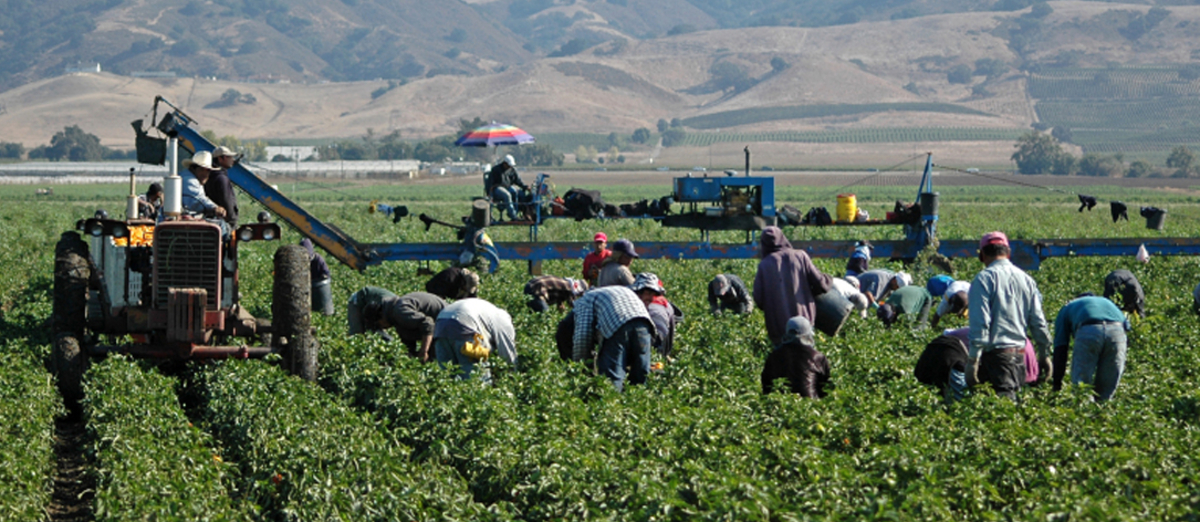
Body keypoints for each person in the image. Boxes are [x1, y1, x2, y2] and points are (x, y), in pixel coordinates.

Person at [967, 231, 1053, 401]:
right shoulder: (1026, 279)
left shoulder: (983, 279)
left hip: (996, 358)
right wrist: (1044, 354)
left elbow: (980, 323)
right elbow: (1038, 322)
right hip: (1020, 357)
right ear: (1008, 253)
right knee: (1011, 408)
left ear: (982, 255)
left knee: (1000, 412)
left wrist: (972, 361)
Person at [753, 226, 833, 346]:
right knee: (806, 359)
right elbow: (820, 284)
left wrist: (774, 308)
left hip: (779, 328)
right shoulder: (800, 256)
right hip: (804, 322)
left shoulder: (764, 265)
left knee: (784, 362)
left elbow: (758, 298)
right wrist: (829, 279)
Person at [572, 285, 655, 391]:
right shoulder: (617, 291)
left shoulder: (583, 301)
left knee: (613, 377)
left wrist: (582, 367)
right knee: (640, 374)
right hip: (644, 324)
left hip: (617, 323)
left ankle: (613, 404)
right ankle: (640, 403)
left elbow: (583, 337)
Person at [1052, 295, 1129, 401]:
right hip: (1117, 331)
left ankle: (1083, 411)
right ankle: (1103, 412)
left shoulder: (1068, 307)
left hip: (1088, 329)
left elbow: (1061, 347)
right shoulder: (1107, 302)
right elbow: (1127, 327)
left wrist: (1056, 384)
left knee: (1081, 385)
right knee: (1107, 385)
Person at [433, 298, 517, 380]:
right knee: (476, 378)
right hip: (465, 323)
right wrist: (512, 375)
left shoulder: (490, 311)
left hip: (441, 324)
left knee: (446, 375)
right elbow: (507, 352)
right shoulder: (504, 323)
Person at [761, 316, 830, 398]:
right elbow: (826, 387)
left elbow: (766, 384)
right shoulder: (817, 356)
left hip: (780, 402)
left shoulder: (775, 355)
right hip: (809, 404)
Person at [631, 273, 678, 357]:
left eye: (652, 294)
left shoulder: (655, 311)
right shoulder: (652, 306)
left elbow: (656, 341)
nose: (651, 297)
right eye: (648, 293)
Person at [180, 151, 227, 220]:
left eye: (208, 170)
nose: (205, 174)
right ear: (193, 168)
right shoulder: (190, 180)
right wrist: (215, 207)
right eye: (202, 169)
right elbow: (199, 199)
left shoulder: (186, 176)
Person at [487, 155, 529, 220]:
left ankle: (515, 212)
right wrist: (489, 193)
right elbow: (490, 183)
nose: (510, 167)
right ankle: (513, 216)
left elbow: (517, 180)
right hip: (497, 188)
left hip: (508, 187)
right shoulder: (495, 169)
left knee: (516, 192)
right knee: (507, 195)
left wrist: (525, 187)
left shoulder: (512, 170)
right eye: (508, 165)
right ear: (504, 163)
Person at [206, 146, 239, 226]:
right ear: (221, 158)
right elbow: (227, 201)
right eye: (230, 157)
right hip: (223, 223)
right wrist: (232, 221)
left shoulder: (209, 176)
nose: (232, 160)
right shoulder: (221, 179)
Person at [300, 239, 334, 315]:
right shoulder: (301, 261)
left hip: (318, 284)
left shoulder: (318, 259)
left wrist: (323, 277)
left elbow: (326, 273)